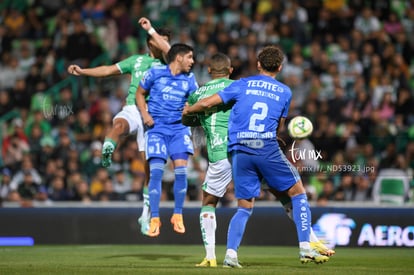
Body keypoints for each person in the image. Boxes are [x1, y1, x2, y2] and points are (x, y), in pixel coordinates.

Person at [183, 45, 329, 267]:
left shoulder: (242, 84)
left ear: (258, 64)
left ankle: (230, 255)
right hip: (265, 146)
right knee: (297, 192)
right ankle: (305, 247)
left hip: (239, 151)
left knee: (244, 207)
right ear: (279, 67)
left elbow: (207, 102)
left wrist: (188, 110)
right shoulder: (285, 91)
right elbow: (279, 126)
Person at [67, 17, 171, 236]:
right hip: (134, 107)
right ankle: (108, 148)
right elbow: (107, 70)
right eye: (161, 40)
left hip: (154, 116)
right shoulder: (136, 61)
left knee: (149, 170)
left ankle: (145, 215)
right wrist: (83, 71)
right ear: (151, 42)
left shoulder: (170, 66)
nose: (164, 44)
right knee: (119, 123)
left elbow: (171, 52)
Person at [136, 43, 198, 237]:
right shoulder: (154, 72)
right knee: (155, 174)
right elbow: (139, 94)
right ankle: (155, 218)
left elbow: (195, 99)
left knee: (181, 171)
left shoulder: (190, 79)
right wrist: (144, 114)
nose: (192, 61)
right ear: (178, 57)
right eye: (189, 57)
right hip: (157, 130)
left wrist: (190, 105)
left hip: (179, 130)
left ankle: (177, 214)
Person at [183, 53, 234, 267]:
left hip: (219, 155)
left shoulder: (198, 94)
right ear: (230, 70)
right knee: (288, 192)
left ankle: (210, 257)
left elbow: (186, 117)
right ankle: (309, 243)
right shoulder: (239, 87)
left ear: (209, 71)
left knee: (209, 202)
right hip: (248, 151)